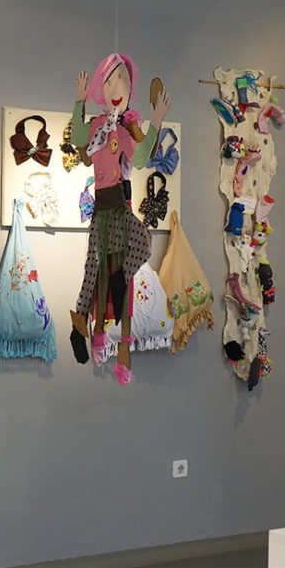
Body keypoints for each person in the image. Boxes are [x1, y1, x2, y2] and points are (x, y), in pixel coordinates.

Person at [68, 53, 171, 384]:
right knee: (92, 268)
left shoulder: (125, 127)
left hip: (119, 204)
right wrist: (80, 101)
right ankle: (81, 327)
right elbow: (78, 139)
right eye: (110, 81)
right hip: (103, 206)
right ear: (101, 87)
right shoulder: (98, 126)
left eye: (122, 81)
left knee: (140, 243)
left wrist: (155, 120)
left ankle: (116, 285)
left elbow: (140, 158)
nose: (116, 88)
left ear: (130, 88)